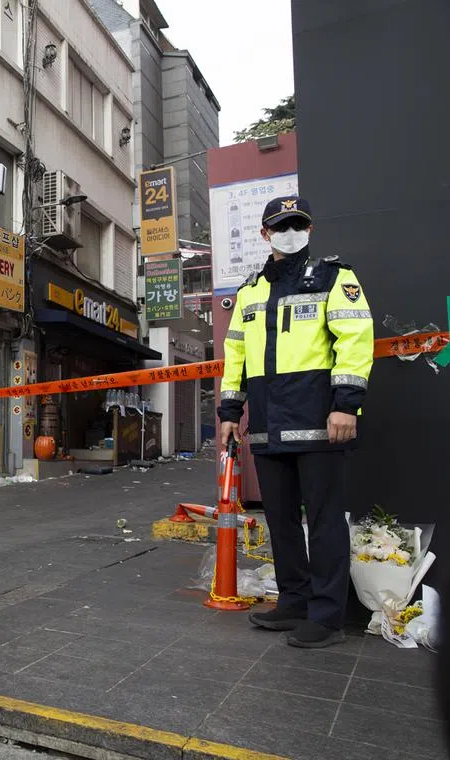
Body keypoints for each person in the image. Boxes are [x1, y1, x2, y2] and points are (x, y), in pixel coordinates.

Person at [219, 195, 373, 649]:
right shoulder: (250, 292)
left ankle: (327, 615)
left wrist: (346, 403)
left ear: (310, 229)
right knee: (280, 518)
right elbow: (236, 358)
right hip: (267, 423)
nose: (290, 232)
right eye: (281, 226)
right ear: (266, 234)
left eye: (298, 224)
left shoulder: (334, 278)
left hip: (319, 421)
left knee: (324, 520)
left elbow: (356, 342)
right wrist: (230, 413)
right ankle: (294, 600)